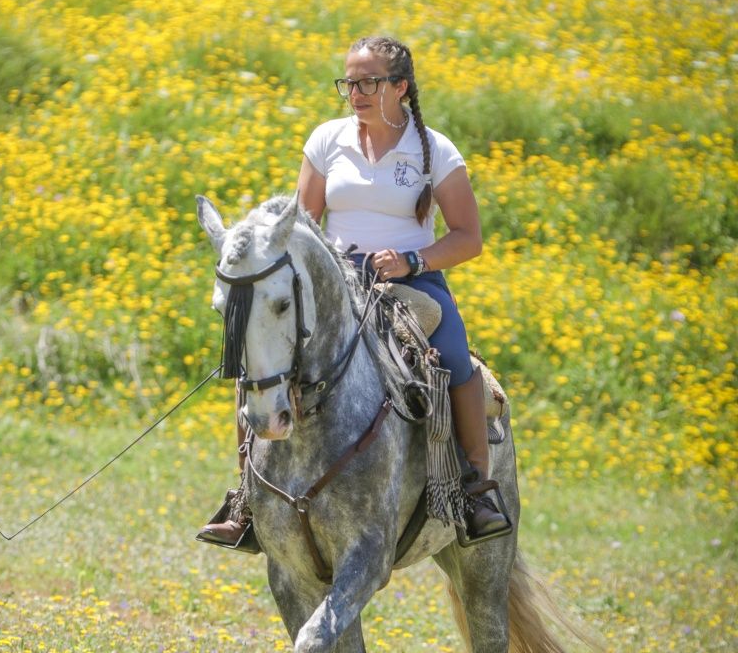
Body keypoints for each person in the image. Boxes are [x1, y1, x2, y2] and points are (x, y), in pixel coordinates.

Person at [197, 34, 511, 549]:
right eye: (349, 82)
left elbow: (468, 238)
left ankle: (477, 489)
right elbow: (301, 222)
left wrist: (413, 260)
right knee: (258, 361)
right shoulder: (327, 140)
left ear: (401, 87)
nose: (356, 92)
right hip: (337, 284)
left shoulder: (437, 151)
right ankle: (246, 498)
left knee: (455, 361)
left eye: (369, 82)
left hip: (414, 281)